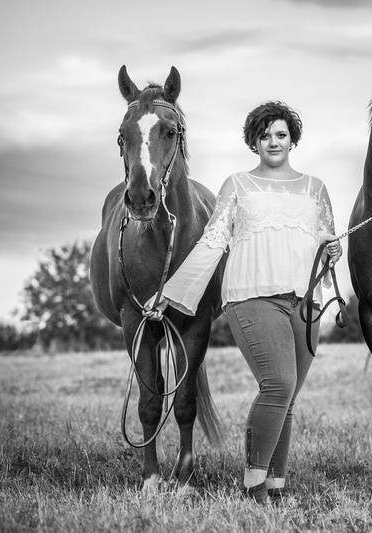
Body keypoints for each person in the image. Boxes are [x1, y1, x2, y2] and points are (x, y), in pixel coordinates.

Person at [144, 101, 342, 504]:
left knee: (288, 398)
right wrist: (171, 294)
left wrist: (332, 250)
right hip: (252, 295)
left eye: (281, 134)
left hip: (303, 302)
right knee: (278, 384)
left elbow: (323, 239)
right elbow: (213, 242)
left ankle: (276, 485)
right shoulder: (237, 185)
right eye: (265, 135)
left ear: (292, 140)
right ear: (254, 141)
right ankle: (253, 484)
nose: (274, 142)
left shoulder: (315, 188)